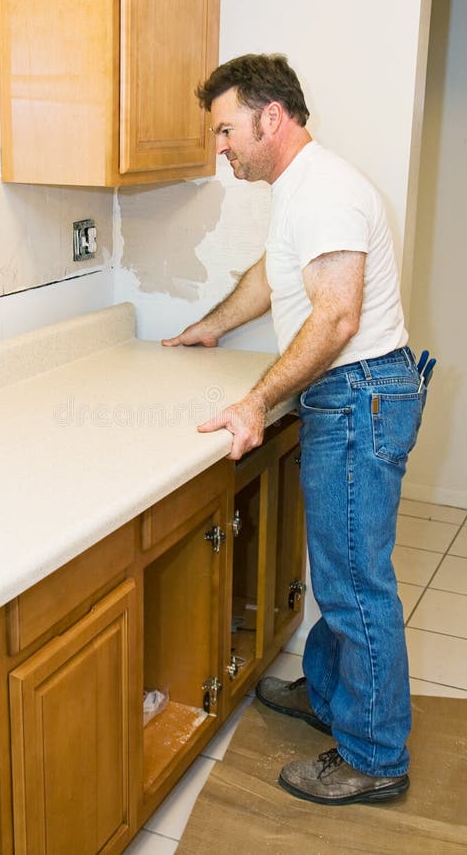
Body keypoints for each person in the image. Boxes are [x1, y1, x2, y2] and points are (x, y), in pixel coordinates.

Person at [163, 53, 432, 806]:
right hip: (356, 396)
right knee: (339, 568)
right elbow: (273, 276)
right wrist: (209, 327)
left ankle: (376, 755)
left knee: (355, 586)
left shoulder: (328, 191)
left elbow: (337, 315)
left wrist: (254, 401)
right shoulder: (302, 190)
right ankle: (331, 694)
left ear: (270, 117)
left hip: (358, 398)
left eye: (225, 128)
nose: (220, 146)